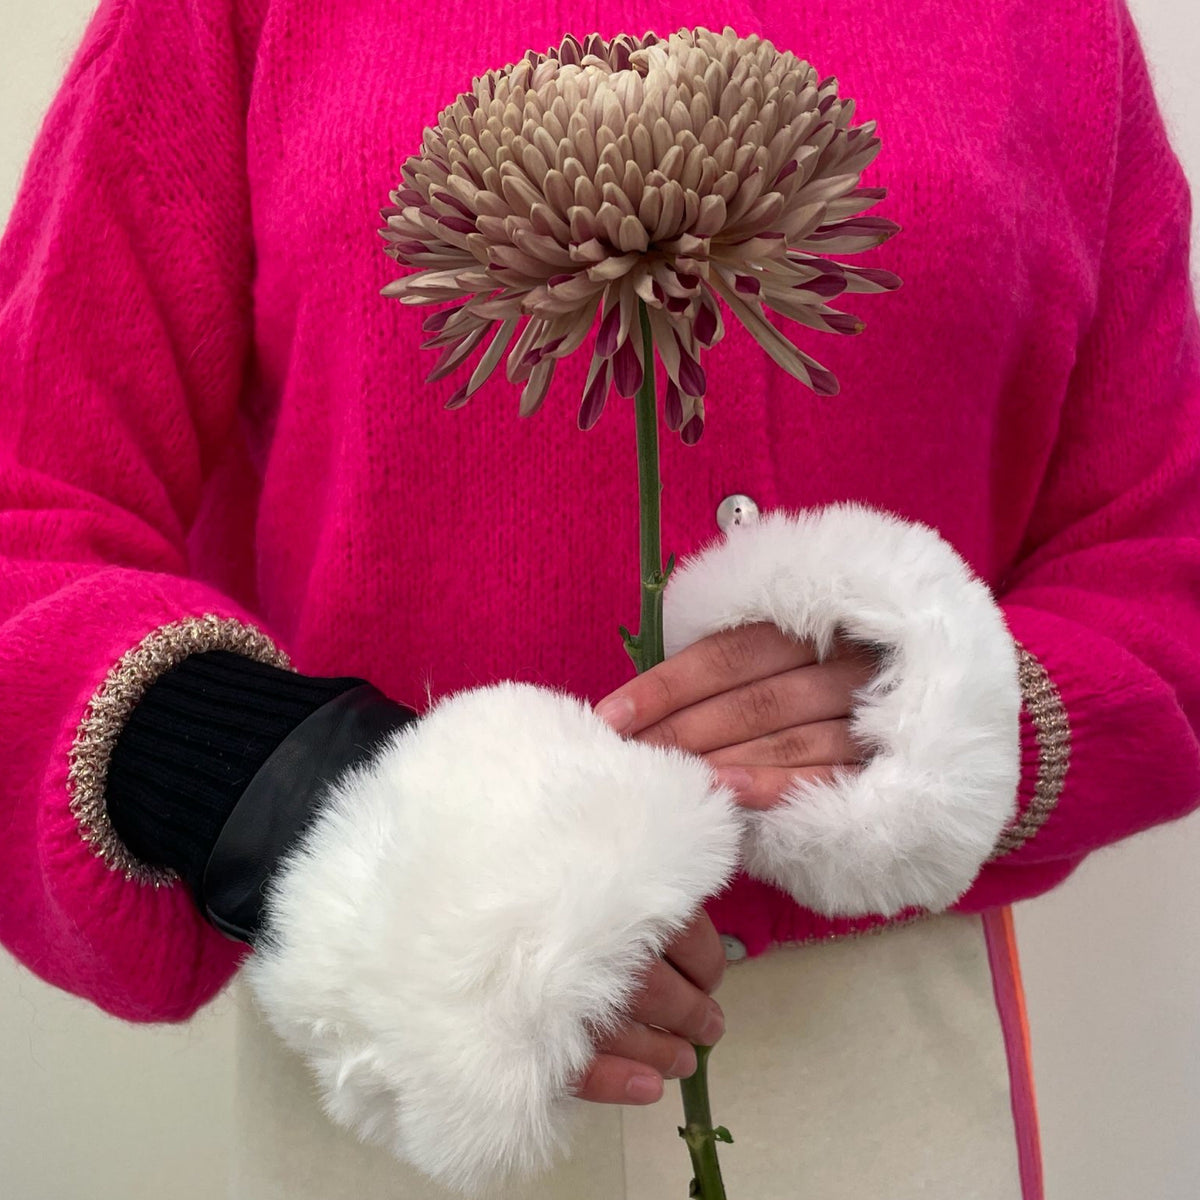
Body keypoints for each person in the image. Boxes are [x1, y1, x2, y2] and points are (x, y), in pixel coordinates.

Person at [1, 0, 1197, 1197]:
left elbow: (1160, 549)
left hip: (885, 1076)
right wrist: (292, 791)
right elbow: (29, 519)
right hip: (407, 1069)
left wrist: (971, 720)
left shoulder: (1054, 25)